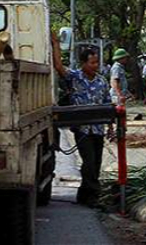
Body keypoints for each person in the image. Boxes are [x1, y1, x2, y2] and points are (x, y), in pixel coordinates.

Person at [51, 37, 112, 207]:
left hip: (98, 129)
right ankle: (93, 196)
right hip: (82, 129)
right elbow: (58, 67)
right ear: (84, 63)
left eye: (96, 62)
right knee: (89, 162)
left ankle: (83, 196)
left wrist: (111, 127)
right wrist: (56, 45)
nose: (95, 66)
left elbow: (108, 105)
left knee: (96, 164)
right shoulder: (75, 77)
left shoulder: (102, 81)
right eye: (92, 62)